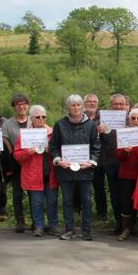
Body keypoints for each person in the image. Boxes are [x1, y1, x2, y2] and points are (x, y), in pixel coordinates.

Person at [50, 94, 101, 241]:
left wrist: (91, 162)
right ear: (68, 108)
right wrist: (59, 161)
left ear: (82, 107)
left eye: (78, 105)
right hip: (65, 171)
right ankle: (69, 230)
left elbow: (96, 147)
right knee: (67, 201)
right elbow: (53, 147)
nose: (76, 108)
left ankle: (86, 231)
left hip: (85, 171)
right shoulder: (60, 124)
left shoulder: (91, 125)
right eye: (73, 105)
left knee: (86, 201)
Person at [13, 105, 61, 237]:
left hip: (51, 174)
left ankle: (53, 225)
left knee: (52, 201)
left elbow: (62, 152)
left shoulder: (54, 133)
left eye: (43, 117)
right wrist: (29, 151)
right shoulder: (25, 135)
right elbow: (17, 155)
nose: (41, 119)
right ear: (31, 119)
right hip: (34, 175)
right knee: (36, 202)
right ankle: (38, 226)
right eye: (37, 117)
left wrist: (50, 150)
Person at [115, 108, 138, 242]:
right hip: (126, 174)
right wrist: (126, 152)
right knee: (125, 202)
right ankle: (126, 229)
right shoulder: (123, 133)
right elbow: (118, 156)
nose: (136, 121)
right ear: (129, 119)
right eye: (133, 118)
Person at [96, 94, 129, 232]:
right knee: (115, 195)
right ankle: (119, 223)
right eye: (115, 104)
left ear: (126, 105)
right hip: (110, 162)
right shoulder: (102, 121)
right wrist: (99, 132)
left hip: (128, 163)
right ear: (110, 106)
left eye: (121, 104)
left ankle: (131, 223)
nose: (118, 107)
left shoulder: (132, 120)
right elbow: (96, 141)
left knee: (127, 195)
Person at [1, 94, 30, 233]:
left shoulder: (34, 120)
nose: (21, 106)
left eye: (24, 103)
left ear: (28, 105)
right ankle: (20, 221)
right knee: (17, 193)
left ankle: (36, 221)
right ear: (14, 107)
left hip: (32, 162)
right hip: (16, 162)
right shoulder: (7, 123)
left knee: (33, 193)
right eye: (18, 104)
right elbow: (6, 142)